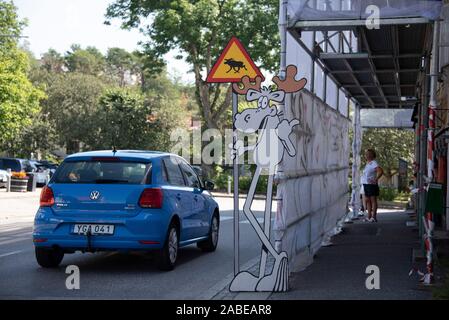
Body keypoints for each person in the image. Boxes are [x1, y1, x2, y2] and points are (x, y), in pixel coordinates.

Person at [361, 149, 384, 223]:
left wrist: (376, 179)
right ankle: (369, 217)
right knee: (367, 200)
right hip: (366, 184)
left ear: (372, 155)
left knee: (373, 200)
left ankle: (374, 217)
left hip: (371, 184)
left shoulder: (373, 163)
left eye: (368, 154)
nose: (366, 155)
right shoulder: (368, 163)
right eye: (366, 154)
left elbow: (380, 171)